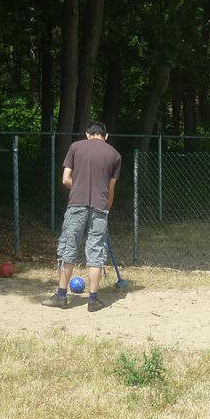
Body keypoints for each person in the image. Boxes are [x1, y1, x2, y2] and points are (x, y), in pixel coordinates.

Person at [42, 121, 122, 312]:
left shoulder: (75, 147)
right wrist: (106, 209)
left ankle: (61, 296)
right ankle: (93, 300)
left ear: (87, 134)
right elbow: (111, 189)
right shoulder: (115, 155)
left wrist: (77, 187)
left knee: (68, 248)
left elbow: (65, 179)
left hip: (76, 205)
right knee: (95, 251)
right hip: (100, 208)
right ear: (106, 136)